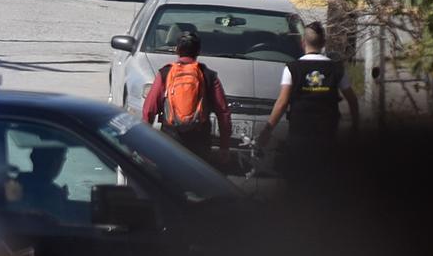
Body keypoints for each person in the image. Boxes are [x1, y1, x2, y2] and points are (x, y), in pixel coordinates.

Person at [258, 22, 359, 178]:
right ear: (324, 43)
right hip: (327, 133)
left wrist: (267, 130)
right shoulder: (336, 69)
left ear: (302, 42)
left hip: (300, 132)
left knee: (298, 176)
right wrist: (355, 128)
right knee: (324, 178)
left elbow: (282, 102)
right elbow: (352, 100)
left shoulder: (292, 68)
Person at [142, 31, 233, 163]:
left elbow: (149, 109)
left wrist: (144, 141)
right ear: (198, 51)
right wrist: (224, 146)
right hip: (200, 141)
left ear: (177, 50)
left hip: (170, 139)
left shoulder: (165, 73)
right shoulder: (209, 75)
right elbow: (223, 112)